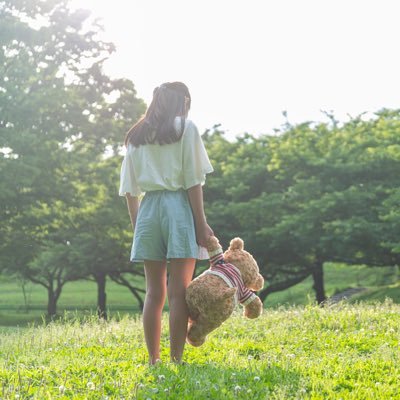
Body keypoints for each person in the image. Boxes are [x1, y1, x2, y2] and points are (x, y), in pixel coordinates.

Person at [119, 81, 214, 364]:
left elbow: (129, 189)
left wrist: (138, 226)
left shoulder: (136, 134)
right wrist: (202, 224)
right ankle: (176, 359)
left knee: (153, 291)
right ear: (182, 101)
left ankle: (153, 359)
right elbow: (193, 181)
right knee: (179, 292)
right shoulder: (186, 127)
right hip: (177, 208)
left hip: (148, 211)